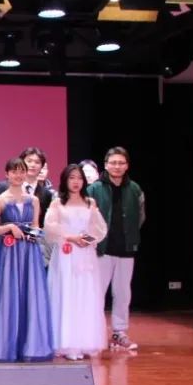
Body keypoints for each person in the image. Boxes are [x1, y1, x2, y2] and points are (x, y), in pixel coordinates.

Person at [0, 158, 54, 362]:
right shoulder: (0, 200)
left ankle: (29, 344)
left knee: (29, 294)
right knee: (8, 294)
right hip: (8, 253)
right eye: (14, 172)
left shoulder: (33, 200)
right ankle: (6, 344)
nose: (18, 175)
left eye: (21, 171)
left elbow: (36, 226)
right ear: (7, 174)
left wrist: (34, 233)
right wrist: (9, 227)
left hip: (29, 252)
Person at [46, 164, 109, 360]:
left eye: (79, 178)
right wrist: (72, 237)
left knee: (85, 294)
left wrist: (86, 240)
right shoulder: (57, 203)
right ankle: (66, 342)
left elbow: (99, 229)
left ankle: (84, 341)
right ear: (65, 180)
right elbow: (50, 227)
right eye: (71, 178)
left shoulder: (90, 202)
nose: (76, 182)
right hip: (65, 254)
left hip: (85, 254)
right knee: (66, 294)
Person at [86, 147, 145, 351]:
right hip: (102, 250)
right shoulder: (94, 189)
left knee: (123, 293)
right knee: (97, 293)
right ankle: (94, 334)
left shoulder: (134, 189)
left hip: (126, 249)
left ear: (127, 165)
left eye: (121, 163)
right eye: (113, 162)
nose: (117, 166)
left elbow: (141, 216)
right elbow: (86, 218)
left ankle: (119, 332)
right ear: (105, 165)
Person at [20, 147, 54, 224]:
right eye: (29, 161)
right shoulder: (6, 187)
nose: (33, 165)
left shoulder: (46, 194)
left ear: (42, 166)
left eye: (37, 162)